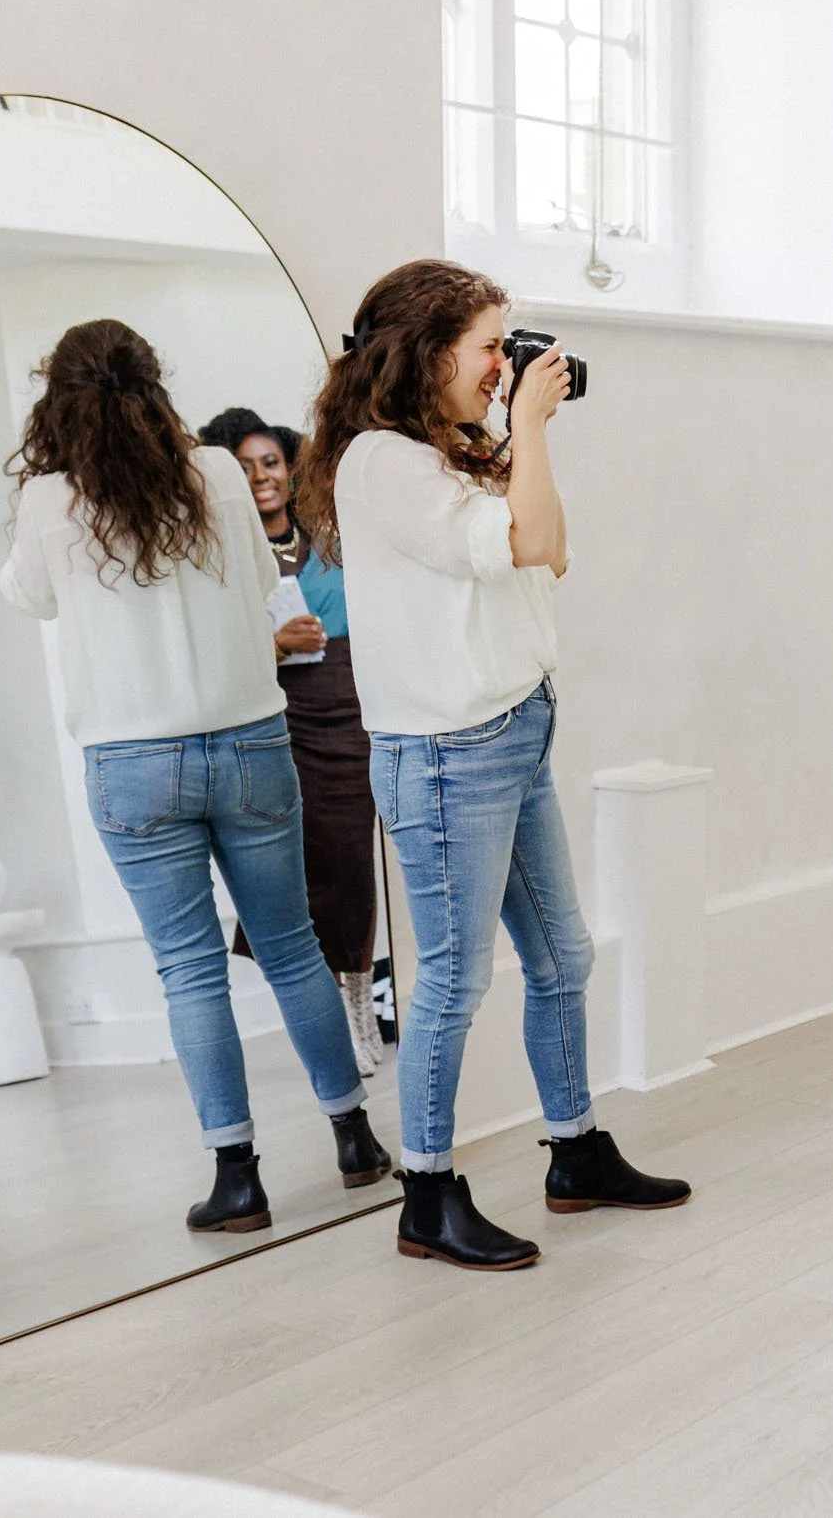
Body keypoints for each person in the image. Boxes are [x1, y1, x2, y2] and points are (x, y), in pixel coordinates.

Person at [295, 260, 688, 1272]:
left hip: (514, 730)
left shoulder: (459, 448)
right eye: (489, 344)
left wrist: (516, 434)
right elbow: (528, 538)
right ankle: (426, 1190)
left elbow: (547, 548)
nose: (504, 361)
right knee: (455, 980)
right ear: (428, 354)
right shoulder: (383, 462)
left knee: (564, 955)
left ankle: (574, 1148)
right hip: (443, 753)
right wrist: (536, 432)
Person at [0, 319, 391, 1233]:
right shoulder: (216, 471)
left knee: (188, 972)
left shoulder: (51, 499)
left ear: (57, 402)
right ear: (155, 387)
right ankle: (354, 1138)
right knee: (292, 946)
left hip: (133, 765)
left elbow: (32, 596)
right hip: (250, 742)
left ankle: (238, 1179)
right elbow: (260, 578)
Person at [196, 406, 386, 1078]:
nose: (260, 477)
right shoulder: (220, 552)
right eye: (243, 467)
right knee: (296, 872)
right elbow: (213, 648)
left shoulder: (327, 532)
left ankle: (363, 1008)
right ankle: (331, 1018)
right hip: (277, 716)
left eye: (269, 462)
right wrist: (273, 644)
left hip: (347, 707)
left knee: (354, 868)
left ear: (289, 464)